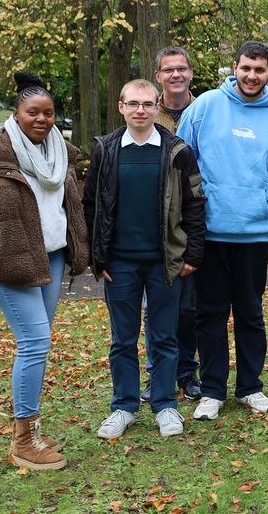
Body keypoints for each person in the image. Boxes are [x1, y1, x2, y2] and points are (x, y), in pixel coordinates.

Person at [0, 71, 89, 470]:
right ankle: (24, 440)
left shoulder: (61, 155)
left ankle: (33, 425)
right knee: (35, 342)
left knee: (39, 343)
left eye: (48, 113)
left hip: (51, 261)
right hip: (11, 267)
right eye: (32, 112)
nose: (41, 119)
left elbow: (67, 209)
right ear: (16, 114)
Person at [176, 40, 268, 421]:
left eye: (259, 70)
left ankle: (251, 388)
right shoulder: (205, 106)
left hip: (256, 234)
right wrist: (186, 229)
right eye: (246, 68)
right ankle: (212, 390)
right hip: (210, 232)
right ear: (235, 67)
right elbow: (180, 166)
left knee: (250, 312)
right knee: (208, 313)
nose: (251, 76)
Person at [83, 79, 206, 439]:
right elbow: (91, 205)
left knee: (165, 337)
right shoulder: (106, 150)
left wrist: (192, 254)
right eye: (133, 103)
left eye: (147, 104)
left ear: (157, 108)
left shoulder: (177, 151)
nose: (140, 110)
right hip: (118, 264)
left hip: (164, 261)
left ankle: (166, 405)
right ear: (121, 107)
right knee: (122, 339)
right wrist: (96, 257)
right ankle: (123, 406)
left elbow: (195, 204)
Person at [141, 46, 202, 402]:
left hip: (192, 219)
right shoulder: (146, 112)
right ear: (158, 75)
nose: (176, 75)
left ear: (191, 73)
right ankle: (157, 374)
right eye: (169, 70)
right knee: (156, 308)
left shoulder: (206, 110)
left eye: (182, 68)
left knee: (189, 306)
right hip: (156, 226)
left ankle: (186, 372)